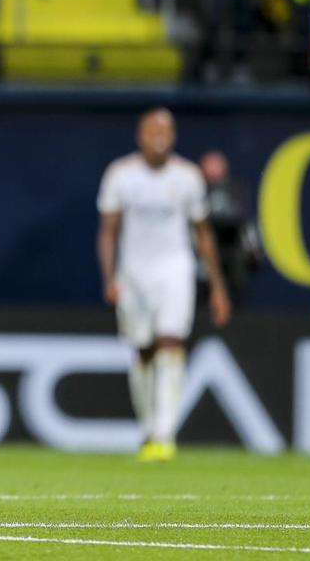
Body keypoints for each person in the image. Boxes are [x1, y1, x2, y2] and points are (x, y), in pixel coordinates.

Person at [97, 108, 231, 462]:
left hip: (175, 268)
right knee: (143, 349)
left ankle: (164, 432)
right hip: (134, 271)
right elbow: (109, 232)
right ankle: (148, 427)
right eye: (152, 130)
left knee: (171, 341)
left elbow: (203, 234)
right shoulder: (120, 175)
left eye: (166, 130)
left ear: (173, 137)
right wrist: (109, 277)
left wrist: (217, 286)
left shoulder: (188, 177)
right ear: (140, 135)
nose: (159, 136)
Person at [198, 151, 261, 309]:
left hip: (233, 266)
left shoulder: (236, 194)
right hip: (200, 269)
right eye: (209, 176)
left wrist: (253, 250)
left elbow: (249, 232)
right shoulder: (192, 197)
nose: (214, 182)